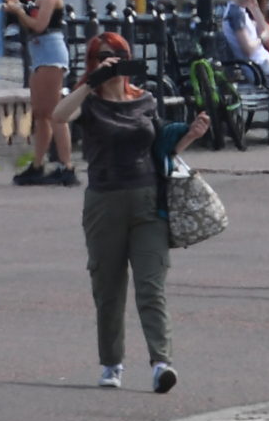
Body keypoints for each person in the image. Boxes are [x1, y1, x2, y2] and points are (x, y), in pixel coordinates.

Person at [53, 32, 204, 391]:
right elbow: (58, 116)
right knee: (108, 288)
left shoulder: (146, 100)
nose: (112, 63)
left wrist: (191, 135)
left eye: (118, 57)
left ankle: (161, 363)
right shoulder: (88, 101)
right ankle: (111, 363)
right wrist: (92, 81)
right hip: (104, 202)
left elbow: (162, 144)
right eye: (103, 57)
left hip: (147, 200)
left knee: (151, 285)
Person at [2, 0, 74, 187]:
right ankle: (37, 164)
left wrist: (18, 11)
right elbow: (31, 19)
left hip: (50, 52)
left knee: (55, 113)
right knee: (41, 113)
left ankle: (67, 166)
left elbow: (40, 25)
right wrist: (16, 6)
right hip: (39, 51)